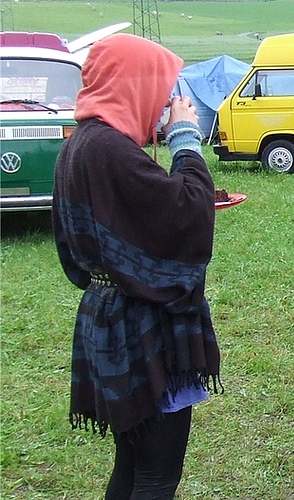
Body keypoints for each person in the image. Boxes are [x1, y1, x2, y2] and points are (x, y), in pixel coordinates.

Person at [51, 34, 221, 499]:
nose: (166, 101)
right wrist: (185, 139)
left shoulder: (81, 145)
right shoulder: (109, 150)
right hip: (143, 327)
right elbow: (187, 214)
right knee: (156, 475)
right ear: (133, 83)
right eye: (160, 87)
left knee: (131, 466)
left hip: (109, 313)